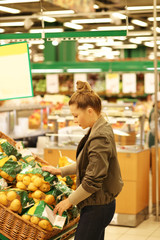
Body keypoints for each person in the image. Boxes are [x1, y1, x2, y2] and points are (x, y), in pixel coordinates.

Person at [42, 81, 123, 240]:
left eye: (76, 115)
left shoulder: (99, 137)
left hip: (97, 207)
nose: (74, 120)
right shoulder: (98, 128)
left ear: (90, 111)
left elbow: (92, 180)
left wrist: (69, 202)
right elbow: (89, 164)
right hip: (98, 203)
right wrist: (61, 171)